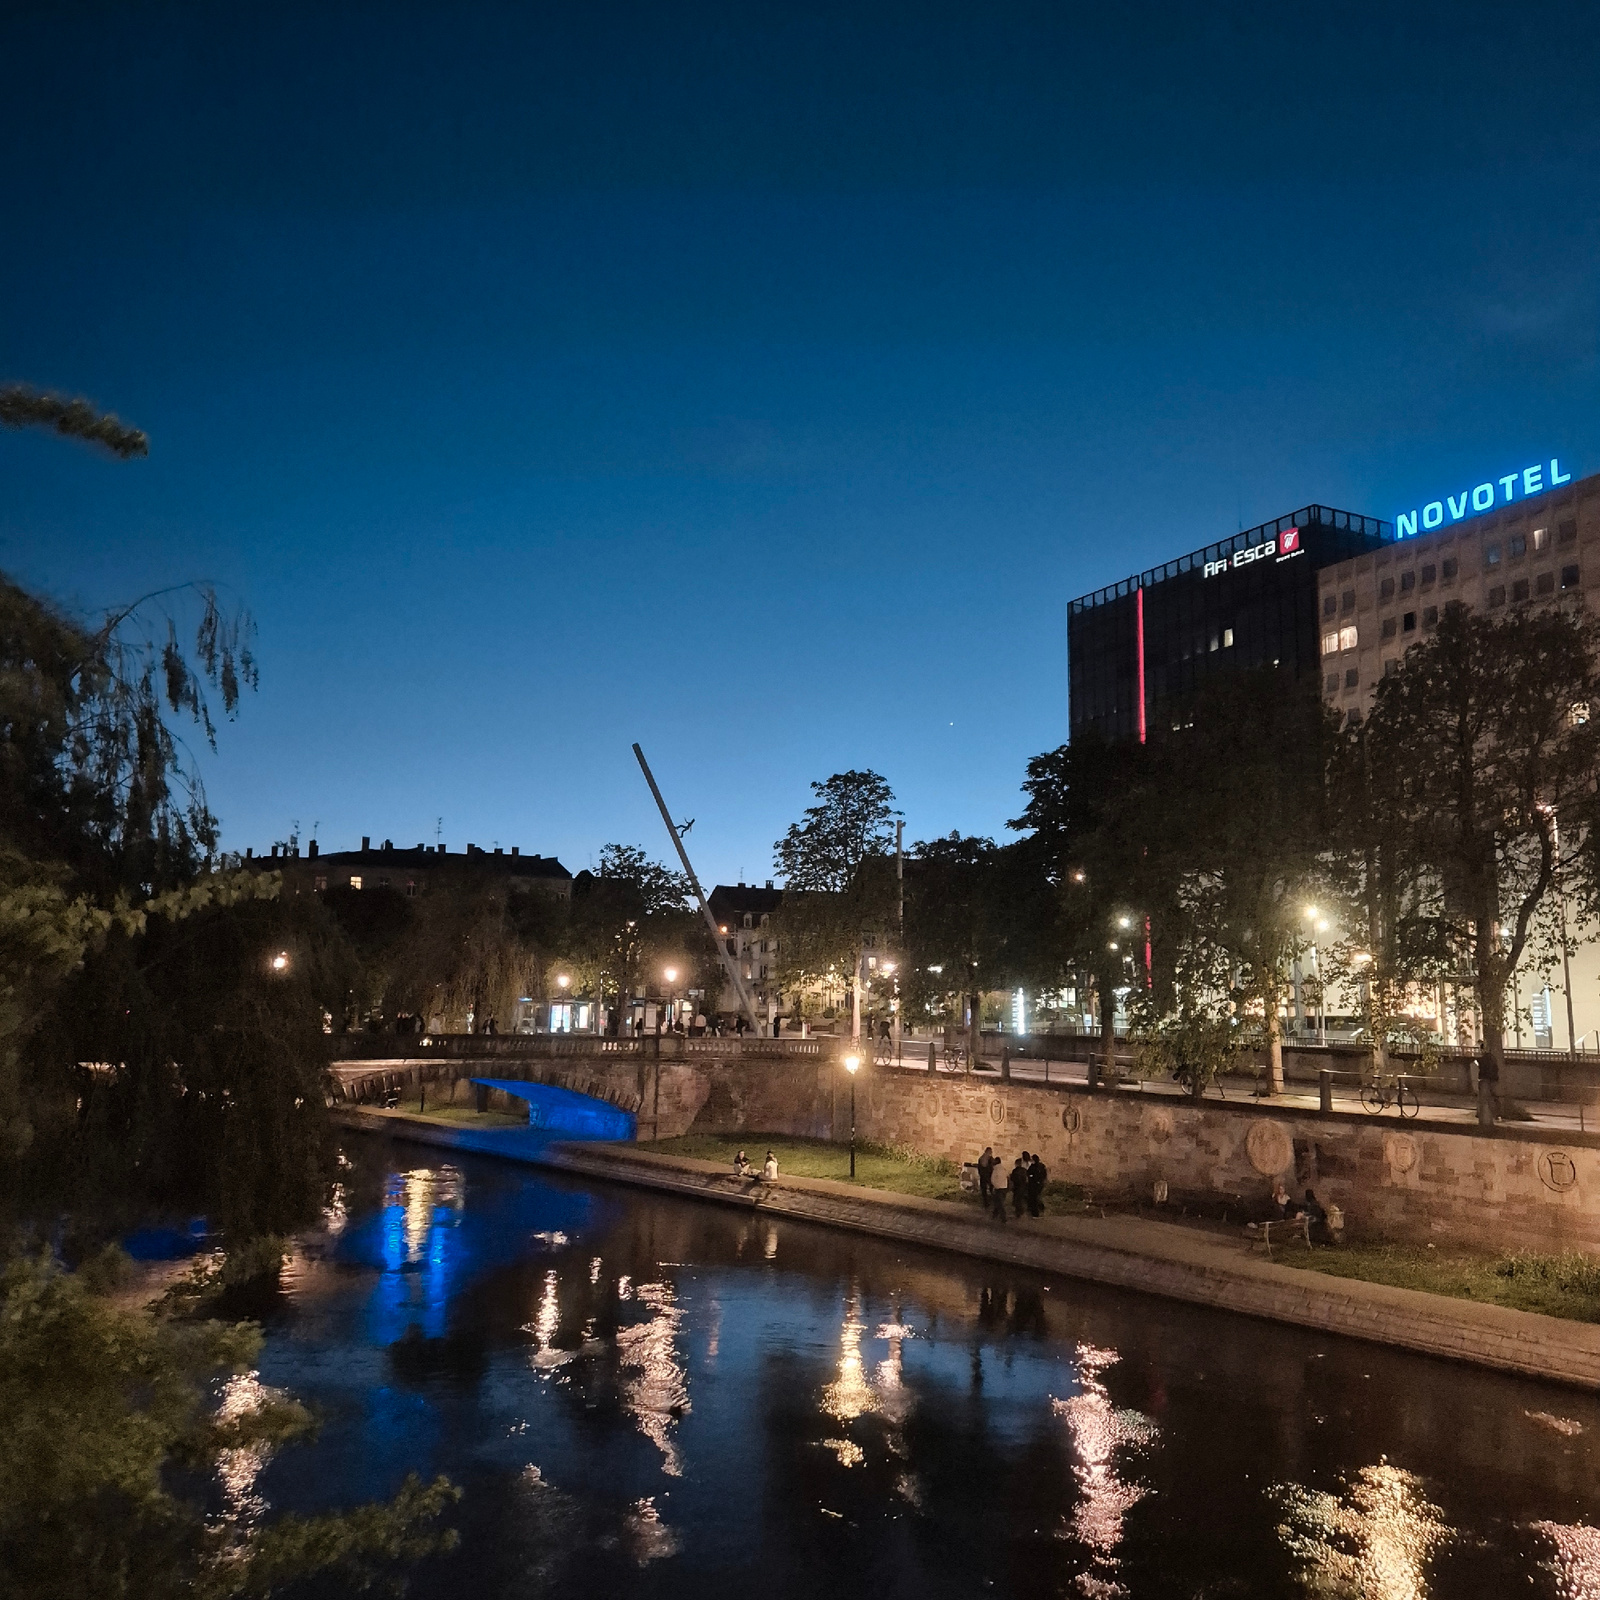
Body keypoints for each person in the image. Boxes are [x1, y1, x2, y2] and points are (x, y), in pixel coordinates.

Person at [1027, 1152, 1049, 1217]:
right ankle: (1041, 1208)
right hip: (1040, 1184)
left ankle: (1035, 1213)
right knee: (1038, 1197)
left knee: (1034, 1198)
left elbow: (1029, 1174)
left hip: (1033, 1185)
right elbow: (1044, 1174)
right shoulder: (1042, 1166)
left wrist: (1031, 1177)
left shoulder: (1033, 1167)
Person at [989, 1155, 1009, 1221]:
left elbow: (992, 1179)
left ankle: (1003, 1217)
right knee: (999, 1202)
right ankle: (995, 1214)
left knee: (999, 1203)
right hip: (1004, 1187)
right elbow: (1007, 1176)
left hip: (998, 1188)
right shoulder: (1004, 1169)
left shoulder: (996, 1170)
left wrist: (995, 1186)